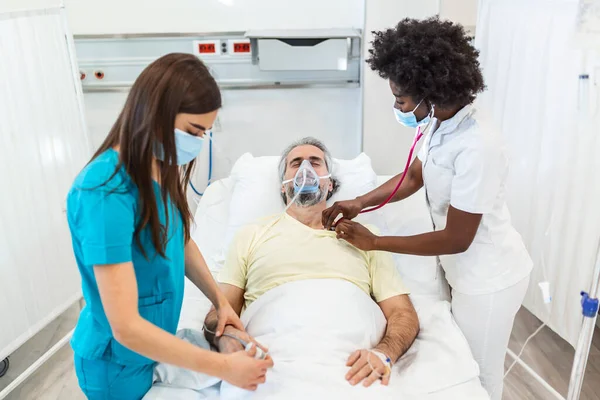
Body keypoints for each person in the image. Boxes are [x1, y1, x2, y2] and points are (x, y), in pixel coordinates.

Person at [322, 18, 532, 400]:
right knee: (459, 365)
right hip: (461, 273)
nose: (397, 107)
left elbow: (457, 238)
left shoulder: (477, 146)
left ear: (429, 93)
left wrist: (376, 242)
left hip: (488, 279)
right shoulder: (439, 119)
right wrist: (359, 202)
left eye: (401, 100)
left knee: (478, 379)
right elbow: (415, 176)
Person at [66, 53, 272, 400]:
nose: (199, 142)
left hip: (152, 348)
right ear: (154, 114)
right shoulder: (104, 191)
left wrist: (221, 302)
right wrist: (224, 368)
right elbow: (126, 327)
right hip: (116, 364)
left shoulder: (160, 166)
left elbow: (180, 239)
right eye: (193, 131)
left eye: (206, 132)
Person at [203, 137, 420, 389]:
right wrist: (229, 342)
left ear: (330, 185)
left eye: (315, 163)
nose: (305, 168)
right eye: (295, 163)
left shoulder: (365, 236)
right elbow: (221, 311)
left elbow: (401, 313)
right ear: (283, 187)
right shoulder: (252, 234)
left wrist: (384, 353)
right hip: (271, 355)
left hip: (350, 363)